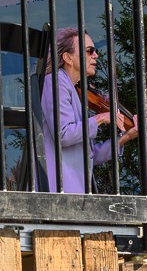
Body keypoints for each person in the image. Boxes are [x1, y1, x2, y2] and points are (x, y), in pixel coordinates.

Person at [40, 27, 139, 193]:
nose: (96, 55)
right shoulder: (55, 82)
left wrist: (124, 138)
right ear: (67, 57)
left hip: (73, 190)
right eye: (89, 51)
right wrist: (100, 118)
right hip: (57, 189)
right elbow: (63, 134)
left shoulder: (70, 88)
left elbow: (91, 155)